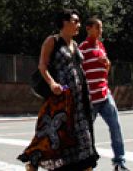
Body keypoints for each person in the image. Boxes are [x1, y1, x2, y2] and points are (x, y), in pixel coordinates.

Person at [18, 9, 99, 171]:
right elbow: (42, 66)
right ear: (64, 22)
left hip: (79, 100)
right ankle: (33, 164)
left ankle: (85, 166)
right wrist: (52, 83)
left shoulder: (75, 45)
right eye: (75, 21)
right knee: (54, 136)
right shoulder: (52, 41)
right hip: (61, 99)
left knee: (83, 137)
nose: (79, 25)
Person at [79, 17, 128, 171]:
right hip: (90, 98)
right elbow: (78, 72)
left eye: (101, 27)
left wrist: (107, 64)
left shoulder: (101, 46)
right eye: (98, 27)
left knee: (116, 127)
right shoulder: (82, 48)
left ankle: (119, 162)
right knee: (86, 134)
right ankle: (86, 164)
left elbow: (105, 69)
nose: (101, 30)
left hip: (105, 95)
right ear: (88, 29)